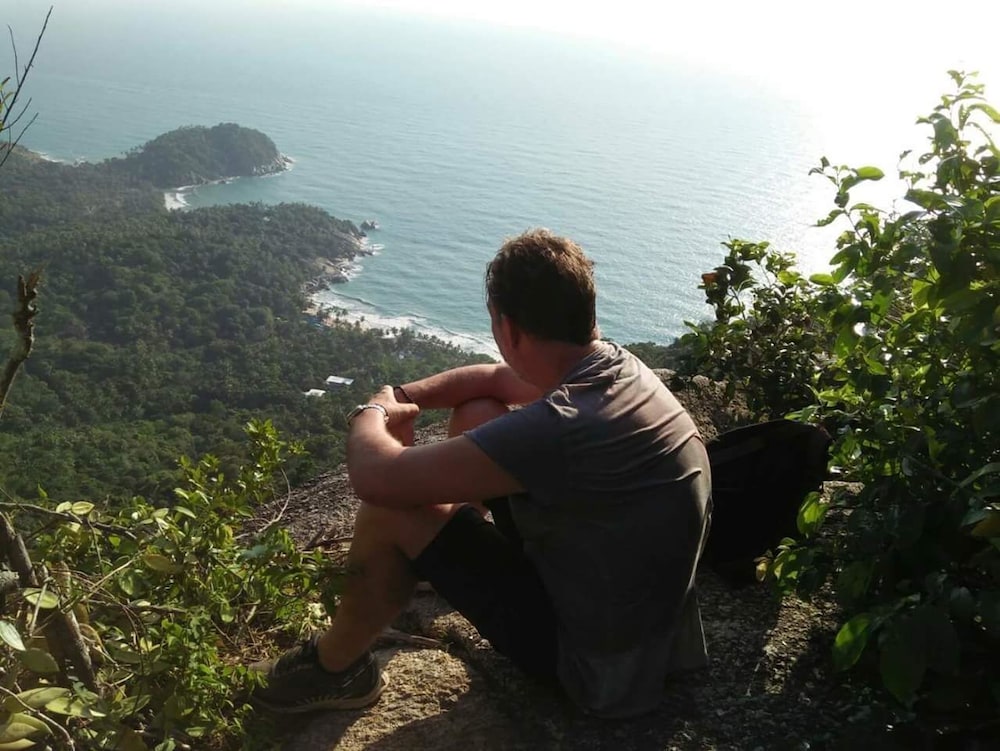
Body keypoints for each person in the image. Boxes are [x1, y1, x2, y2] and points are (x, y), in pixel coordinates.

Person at [252, 229, 712, 719]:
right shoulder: (616, 370)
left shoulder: (561, 426)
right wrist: (404, 397)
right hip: (648, 629)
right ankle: (435, 568)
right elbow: (491, 380)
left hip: (596, 670)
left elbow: (375, 477)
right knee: (479, 411)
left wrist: (371, 411)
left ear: (508, 329)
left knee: (392, 512)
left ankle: (335, 670)